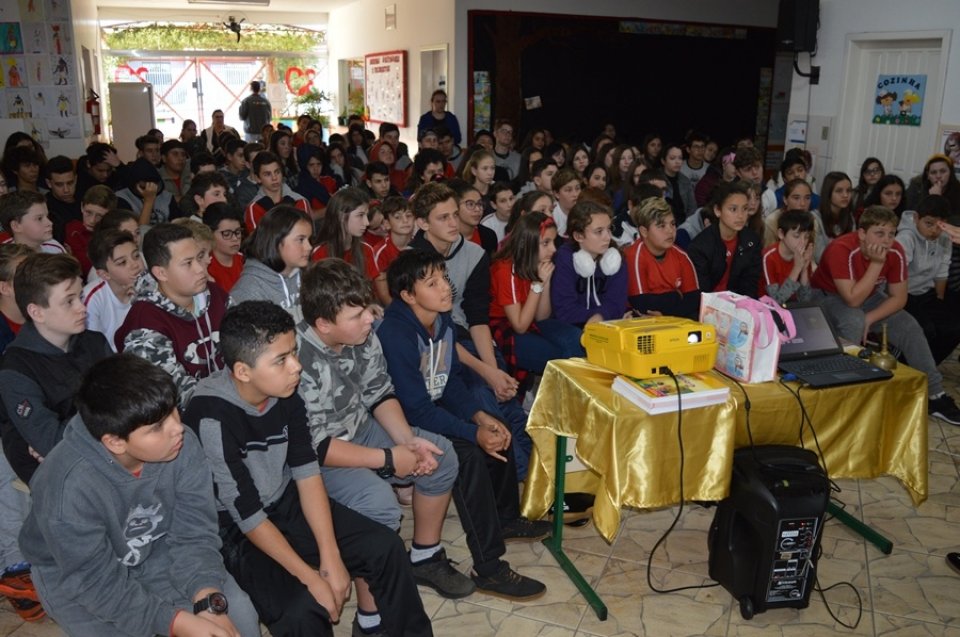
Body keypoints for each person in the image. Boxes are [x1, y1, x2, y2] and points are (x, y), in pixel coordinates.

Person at [183, 301, 432, 636]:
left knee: (384, 548)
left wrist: (330, 558)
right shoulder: (211, 415)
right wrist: (311, 577)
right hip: (235, 528)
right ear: (243, 371)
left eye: (294, 353)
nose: (296, 367)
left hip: (284, 500)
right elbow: (246, 513)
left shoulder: (285, 390)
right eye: (281, 359)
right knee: (301, 608)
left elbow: (306, 471)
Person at [17, 354, 261, 637]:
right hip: (71, 575)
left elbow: (194, 534)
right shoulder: (65, 487)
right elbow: (96, 584)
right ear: (115, 442)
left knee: (240, 615)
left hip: (157, 546)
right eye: (157, 427)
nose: (177, 427)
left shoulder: (181, 445)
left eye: (173, 410)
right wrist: (176, 622)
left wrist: (206, 599)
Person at [296, 258, 476, 603]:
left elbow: (379, 392)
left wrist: (408, 442)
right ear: (323, 324)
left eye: (366, 308)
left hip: (359, 429)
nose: (370, 317)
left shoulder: (363, 334)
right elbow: (314, 447)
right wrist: (390, 459)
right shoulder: (296, 358)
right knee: (379, 506)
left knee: (440, 455)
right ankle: (370, 615)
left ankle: (424, 556)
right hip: (318, 460)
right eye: (356, 315)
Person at [378, 250, 550, 599]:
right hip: (396, 422)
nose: (445, 288)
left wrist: (480, 417)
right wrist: (472, 432)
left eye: (444, 277)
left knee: (495, 426)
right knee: (469, 453)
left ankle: (504, 517)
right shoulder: (396, 333)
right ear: (409, 295)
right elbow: (415, 409)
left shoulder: (441, 322)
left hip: (428, 406)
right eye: (432, 283)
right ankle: (489, 567)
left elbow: (450, 382)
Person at [811, 205, 960, 424]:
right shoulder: (840, 248)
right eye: (879, 234)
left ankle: (935, 395)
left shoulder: (896, 250)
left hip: (869, 296)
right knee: (853, 319)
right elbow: (852, 299)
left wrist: (870, 319)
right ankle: (842, 391)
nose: (886, 241)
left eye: (891, 234)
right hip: (828, 297)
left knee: (909, 325)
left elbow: (899, 298)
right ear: (862, 234)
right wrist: (877, 263)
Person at [0, 253, 112, 484]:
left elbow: (129, 401)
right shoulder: (15, 368)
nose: (82, 308)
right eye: (69, 301)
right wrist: (109, 418)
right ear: (36, 312)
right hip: (56, 477)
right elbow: (52, 443)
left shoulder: (94, 341)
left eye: (80, 296)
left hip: (110, 452)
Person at [115, 223, 227, 410]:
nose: (200, 268)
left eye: (199, 257)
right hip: (187, 422)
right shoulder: (144, 322)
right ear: (161, 273)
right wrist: (236, 396)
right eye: (188, 263)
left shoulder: (214, 294)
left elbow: (246, 343)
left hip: (230, 400)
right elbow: (169, 392)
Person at [489, 212, 583, 378]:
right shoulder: (505, 269)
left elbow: (541, 316)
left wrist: (543, 282)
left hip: (530, 319)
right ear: (527, 244)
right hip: (503, 327)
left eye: (553, 242)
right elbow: (519, 325)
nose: (553, 249)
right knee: (557, 356)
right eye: (546, 243)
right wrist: (538, 286)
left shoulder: (537, 261)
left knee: (577, 340)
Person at [896, 195, 960, 364]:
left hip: (927, 294)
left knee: (954, 328)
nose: (933, 231)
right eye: (929, 224)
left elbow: (942, 272)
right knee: (925, 330)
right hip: (903, 294)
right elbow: (897, 275)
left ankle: (927, 367)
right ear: (917, 218)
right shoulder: (905, 238)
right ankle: (905, 366)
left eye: (939, 226)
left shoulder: (945, 238)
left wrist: (939, 301)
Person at [551, 200, 628, 326]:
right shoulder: (564, 258)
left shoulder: (615, 259)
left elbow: (616, 303)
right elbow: (564, 309)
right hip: (570, 325)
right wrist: (597, 316)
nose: (607, 237)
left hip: (605, 322)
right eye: (599, 231)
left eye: (609, 229)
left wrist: (600, 316)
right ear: (578, 236)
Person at [624, 196, 701, 319]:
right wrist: (674, 296)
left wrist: (665, 314)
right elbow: (640, 302)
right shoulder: (634, 255)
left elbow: (694, 299)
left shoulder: (681, 255)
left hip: (672, 318)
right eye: (661, 226)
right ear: (644, 231)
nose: (670, 230)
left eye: (672, 224)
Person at [231, 205, 312, 320]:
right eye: (300, 240)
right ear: (276, 241)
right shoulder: (248, 293)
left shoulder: (306, 274)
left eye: (309, 239)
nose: (309, 247)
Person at [688, 181, 762, 296]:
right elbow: (701, 291)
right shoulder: (700, 247)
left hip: (740, 304)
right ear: (718, 210)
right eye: (733, 209)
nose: (741, 215)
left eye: (745, 209)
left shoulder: (751, 241)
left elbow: (750, 284)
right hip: (707, 305)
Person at [82, 228, 144, 351]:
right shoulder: (92, 298)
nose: (135, 265)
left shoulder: (150, 285)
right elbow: (94, 350)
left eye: (136, 256)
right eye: (122, 262)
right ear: (104, 274)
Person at [311, 187, 379, 287]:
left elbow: (370, 291)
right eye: (360, 215)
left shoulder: (366, 249)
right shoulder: (319, 253)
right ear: (341, 216)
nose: (367, 222)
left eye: (366, 215)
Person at [759, 209, 816, 304]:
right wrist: (797, 268)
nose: (802, 242)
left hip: (792, 305)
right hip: (767, 306)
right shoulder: (768, 257)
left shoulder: (803, 254)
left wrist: (804, 269)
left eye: (806, 237)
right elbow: (776, 301)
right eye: (796, 236)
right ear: (781, 234)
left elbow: (805, 300)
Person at [243, 151, 310, 232]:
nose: (274, 178)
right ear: (258, 178)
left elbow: (306, 236)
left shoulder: (300, 202)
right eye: (267, 174)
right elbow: (257, 243)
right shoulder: (254, 208)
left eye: (277, 172)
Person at [114, 158, 180, 227]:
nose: (149, 190)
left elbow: (177, 227)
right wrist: (148, 201)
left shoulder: (167, 197)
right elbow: (139, 232)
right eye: (143, 187)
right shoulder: (121, 198)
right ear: (133, 184)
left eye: (153, 186)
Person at [65, 185, 114, 273]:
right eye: (88, 212)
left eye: (99, 216)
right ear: (82, 207)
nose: (92, 220)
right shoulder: (73, 230)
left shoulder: (113, 234)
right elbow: (85, 267)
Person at [0, 191, 67, 254]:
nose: (50, 223)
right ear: (16, 226)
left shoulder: (55, 248)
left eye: (47, 216)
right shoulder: (3, 258)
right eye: (39, 218)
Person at [203, 202, 244, 292]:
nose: (235, 238)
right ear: (210, 234)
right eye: (227, 234)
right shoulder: (205, 267)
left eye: (237, 232)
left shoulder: (246, 261)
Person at [43, 155, 81, 243]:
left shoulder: (85, 200)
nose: (66, 190)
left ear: (76, 179)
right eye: (59, 185)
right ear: (49, 183)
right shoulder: (44, 208)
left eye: (70, 183)